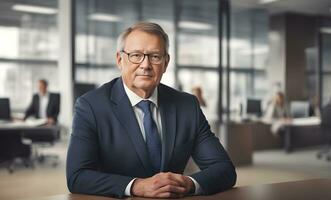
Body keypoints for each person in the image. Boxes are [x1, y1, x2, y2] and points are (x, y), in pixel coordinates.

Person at [66, 22, 236, 199]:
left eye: (155, 56)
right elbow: (77, 177)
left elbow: (224, 169)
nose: (145, 65)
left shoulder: (187, 106)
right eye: (136, 55)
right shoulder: (91, 106)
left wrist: (188, 184)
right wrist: (136, 186)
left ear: (165, 62)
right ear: (119, 60)